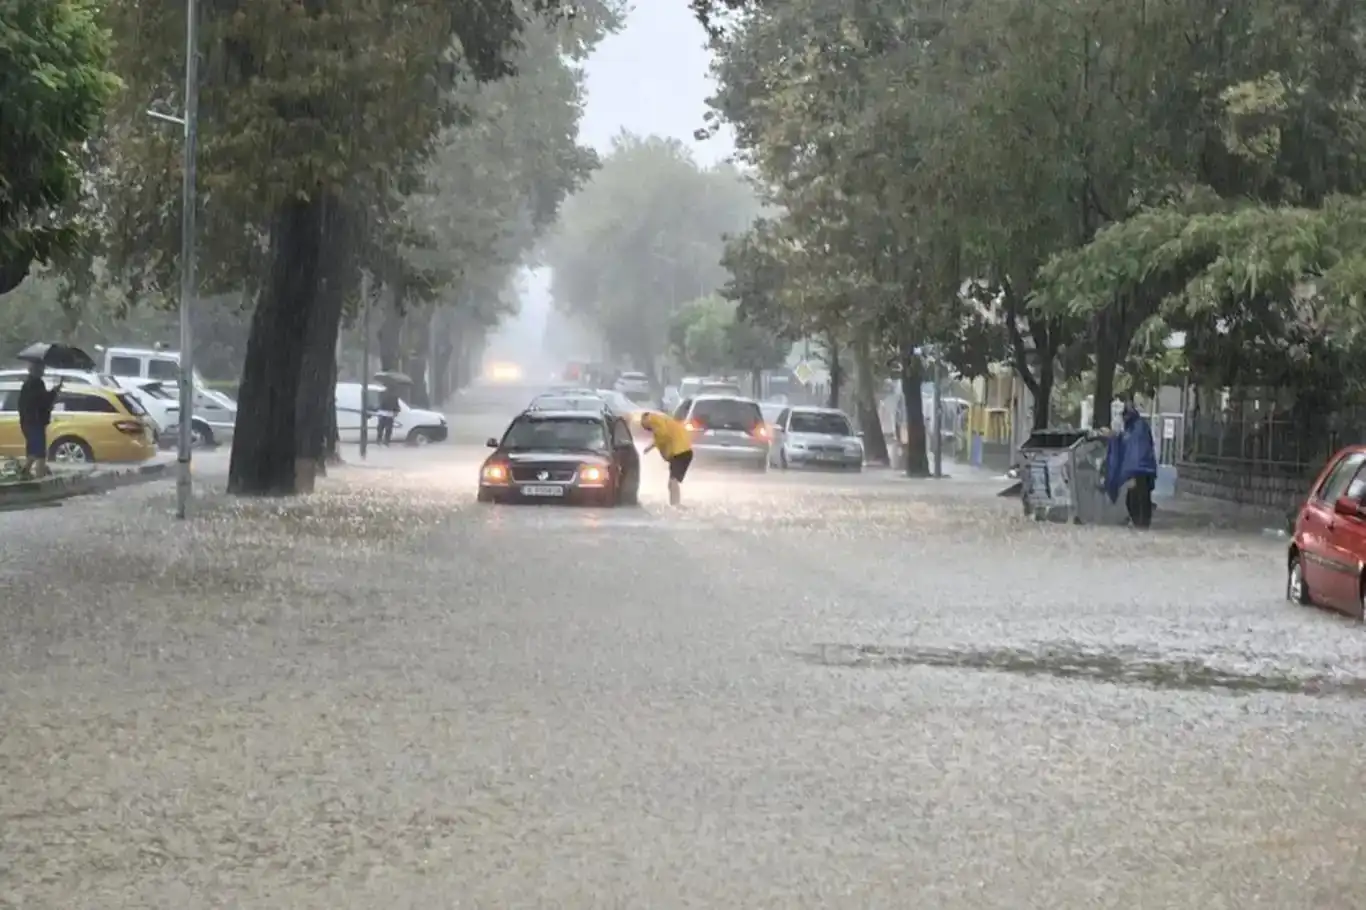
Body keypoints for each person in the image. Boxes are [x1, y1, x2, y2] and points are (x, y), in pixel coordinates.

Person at [1104, 402, 1158, 528]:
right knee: (1142, 497)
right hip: (1145, 469)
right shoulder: (1141, 427)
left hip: (1134, 470)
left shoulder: (1131, 430)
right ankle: (1143, 523)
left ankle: (1140, 523)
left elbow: (1125, 447)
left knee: (1134, 498)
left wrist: (1113, 437)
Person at [640, 411, 694, 506]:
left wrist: (652, 446)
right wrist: (652, 447)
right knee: (672, 483)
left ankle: (676, 505)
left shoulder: (653, 420)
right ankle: (675, 504)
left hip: (681, 452)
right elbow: (663, 436)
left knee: (673, 481)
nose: (647, 430)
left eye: (645, 427)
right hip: (681, 452)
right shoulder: (660, 421)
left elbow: (662, 434)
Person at [18, 362, 62, 477]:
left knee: (33, 450)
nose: (43, 371)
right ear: (35, 370)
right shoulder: (36, 383)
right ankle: (39, 477)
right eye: (41, 369)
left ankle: (25, 472)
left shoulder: (28, 384)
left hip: (28, 422)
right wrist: (54, 392)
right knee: (40, 453)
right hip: (35, 422)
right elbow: (42, 401)